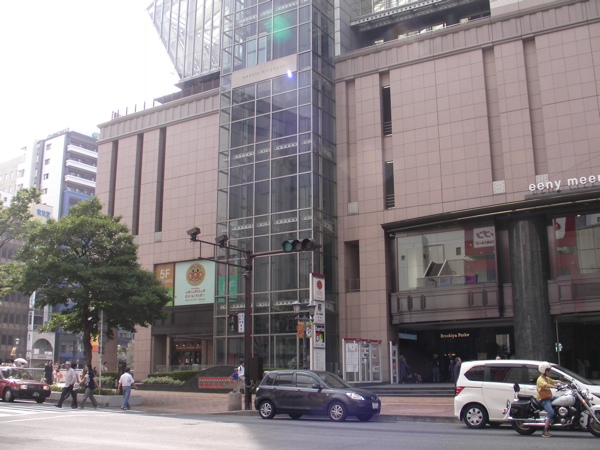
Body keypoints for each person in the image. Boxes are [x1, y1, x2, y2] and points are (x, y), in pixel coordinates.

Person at [537, 362, 564, 438]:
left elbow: (555, 381)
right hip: (543, 399)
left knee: (561, 399)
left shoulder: (547, 378)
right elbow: (546, 385)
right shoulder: (540, 379)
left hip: (549, 398)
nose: (550, 372)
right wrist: (555, 387)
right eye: (548, 370)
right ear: (543, 370)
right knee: (551, 413)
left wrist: (566, 384)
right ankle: (545, 431)